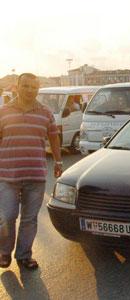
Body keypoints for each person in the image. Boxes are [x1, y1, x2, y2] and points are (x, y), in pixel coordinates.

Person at [0, 73, 62, 270]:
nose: (30, 90)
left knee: (29, 219)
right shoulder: (3, 112)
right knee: (7, 216)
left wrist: (59, 162)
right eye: (25, 86)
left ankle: (24, 255)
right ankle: (4, 252)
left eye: (34, 87)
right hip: (7, 176)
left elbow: (54, 138)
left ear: (38, 89)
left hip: (36, 176)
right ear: (17, 87)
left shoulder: (46, 113)